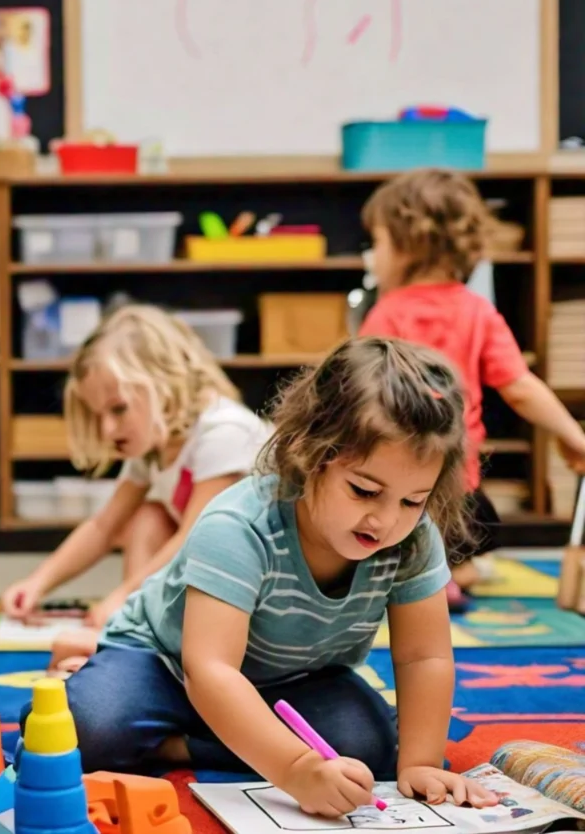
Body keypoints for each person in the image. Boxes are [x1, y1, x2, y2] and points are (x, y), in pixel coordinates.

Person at [44, 337, 500, 819]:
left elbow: (423, 655)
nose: (385, 520)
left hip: (292, 680)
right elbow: (211, 669)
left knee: (368, 745)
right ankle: (143, 701)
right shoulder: (239, 525)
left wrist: (422, 762)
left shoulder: (412, 539)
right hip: (167, 663)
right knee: (85, 729)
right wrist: (296, 768)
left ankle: (178, 744)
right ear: (307, 451)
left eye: (413, 501)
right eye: (365, 490)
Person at [1, 304, 273, 672]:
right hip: (215, 575)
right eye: (98, 416)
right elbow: (104, 526)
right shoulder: (155, 442)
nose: (108, 430)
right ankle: (142, 634)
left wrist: (123, 598)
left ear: (164, 384)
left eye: (117, 410)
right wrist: (38, 582)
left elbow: (195, 538)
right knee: (150, 515)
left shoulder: (225, 431)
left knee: (159, 522)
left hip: (262, 594)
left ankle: (136, 631)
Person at [358, 168, 585, 607]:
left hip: (395, 483)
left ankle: (424, 574)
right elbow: (519, 386)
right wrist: (573, 435)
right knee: (465, 539)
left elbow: (360, 390)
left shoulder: (388, 313)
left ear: (408, 244)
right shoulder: (476, 310)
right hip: (457, 485)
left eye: (379, 243)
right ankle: (444, 572)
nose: (374, 256)